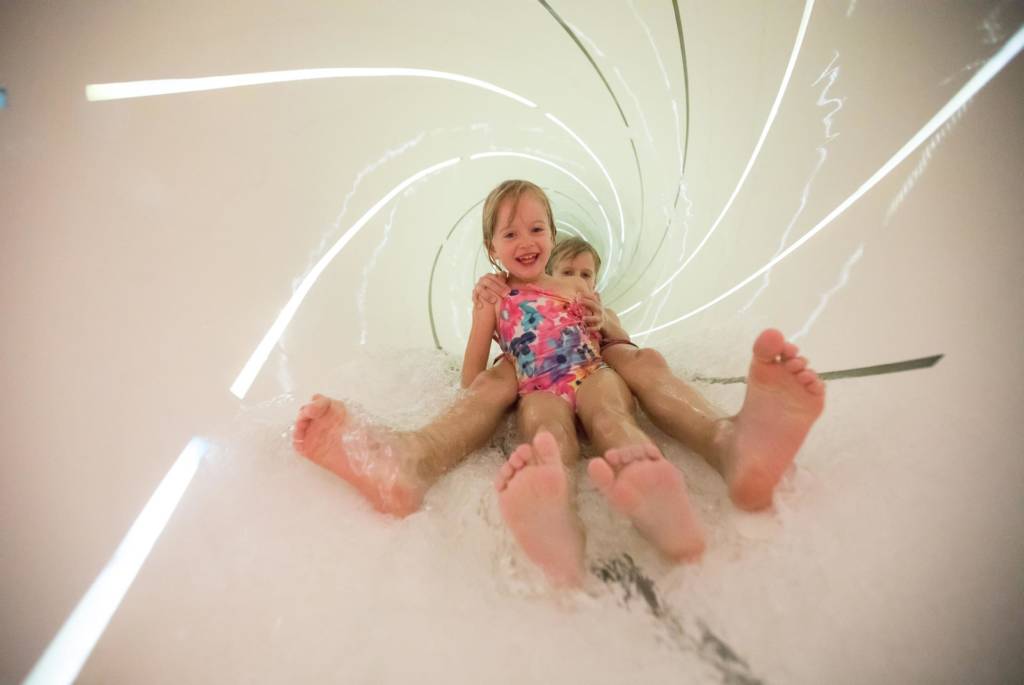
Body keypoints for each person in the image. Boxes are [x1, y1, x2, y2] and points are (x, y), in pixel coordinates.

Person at [473, 235, 826, 512]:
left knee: (643, 360)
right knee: (543, 416)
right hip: (545, 377)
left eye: (586, 275)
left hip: (597, 367)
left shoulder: (601, 309)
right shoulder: (524, 304)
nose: (578, 281)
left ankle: (728, 443)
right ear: (550, 275)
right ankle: (554, 500)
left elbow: (618, 337)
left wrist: (601, 319)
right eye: (568, 273)